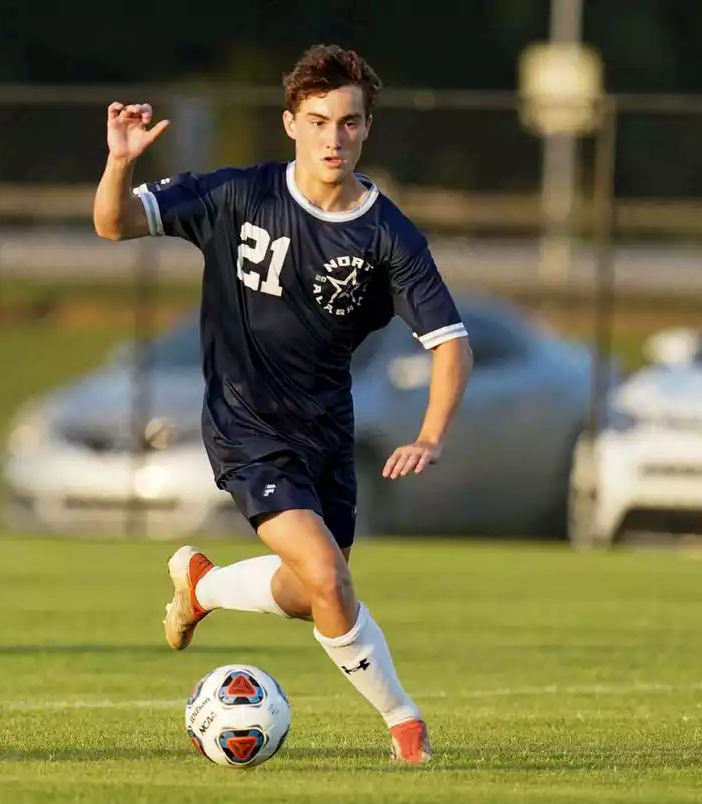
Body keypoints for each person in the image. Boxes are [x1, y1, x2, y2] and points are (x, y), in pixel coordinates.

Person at [92, 44, 474, 763]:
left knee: (314, 590)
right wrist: (119, 162)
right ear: (291, 123)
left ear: (366, 130)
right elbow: (114, 225)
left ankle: (202, 586)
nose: (336, 136)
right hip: (245, 423)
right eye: (320, 119)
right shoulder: (239, 195)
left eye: (350, 122)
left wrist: (431, 434)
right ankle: (406, 726)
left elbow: (450, 344)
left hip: (326, 430)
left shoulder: (388, 235)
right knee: (330, 578)